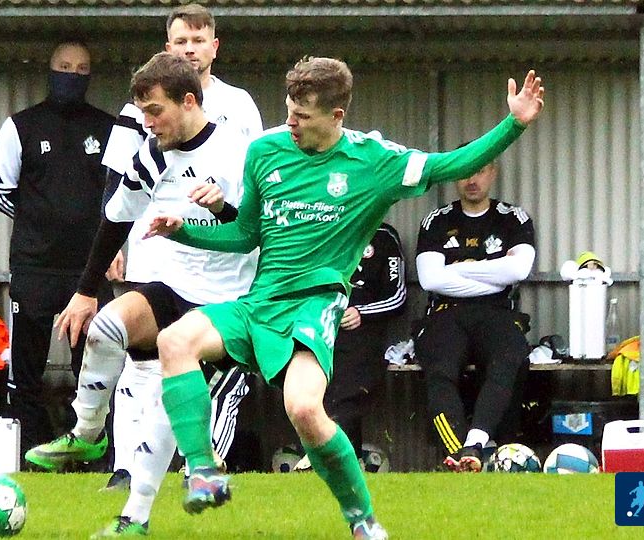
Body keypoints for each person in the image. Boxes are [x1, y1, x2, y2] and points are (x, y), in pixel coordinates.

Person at [145, 58, 544, 539]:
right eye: (288, 111)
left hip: (314, 306)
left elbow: (450, 165)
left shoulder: (375, 162)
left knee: (304, 411)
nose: (290, 123)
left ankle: (362, 520)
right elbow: (246, 234)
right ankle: (204, 472)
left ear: (336, 116)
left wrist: (513, 124)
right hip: (259, 305)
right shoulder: (265, 151)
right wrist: (184, 231)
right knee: (174, 342)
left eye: (302, 116)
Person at [26, 52, 258, 537]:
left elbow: (255, 233)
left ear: (189, 101)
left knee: (162, 410)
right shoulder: (152, 154)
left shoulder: (239, 153)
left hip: (224, 301)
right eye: (142, 113)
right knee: (105, 327)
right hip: (170, 286)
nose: (147, 123)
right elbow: (116, 219)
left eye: (155, 111)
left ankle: (136, 516)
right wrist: (84, 292)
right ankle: (86, 432)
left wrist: (223, 208)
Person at [101, 2, 263, 493]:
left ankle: (196, 467)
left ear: (214, 46)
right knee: (141, 362)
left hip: (220, 261)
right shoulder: (138, 108)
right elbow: (117, 178)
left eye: (198, 40)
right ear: (167, 47)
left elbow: (255, 183)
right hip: (156, 250)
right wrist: (114, 245)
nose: (189, 49)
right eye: (180, 41)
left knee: (193, 363)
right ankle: (125, 467)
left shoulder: (239, 104)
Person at [0, 40, 115, 461]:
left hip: (88, 273)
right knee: (26, 369)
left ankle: (96, 453)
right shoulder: (20, 126)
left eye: (81, 69)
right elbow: (0, 191)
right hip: (35, 267)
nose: (72, 75)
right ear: (50, 70)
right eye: (64, 67)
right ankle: (29, 451)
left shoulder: (107, 129)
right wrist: (40, 222)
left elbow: (121, 195)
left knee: (94, 366)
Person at [413, 156, 536, 473]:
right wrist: (493, 272)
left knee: (509, 357)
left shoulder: (513, 219)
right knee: (439, 370)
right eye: (465, 172)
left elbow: (518, 270)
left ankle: (476, 444)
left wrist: (459, 269)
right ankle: (457, 453)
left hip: (496, 311)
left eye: (480, 171)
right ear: (455, 177)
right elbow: (430, 280)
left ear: (492, 173)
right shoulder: (437, 221)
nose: (472, 180)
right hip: (445, 312)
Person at [323, 222, 406, 464]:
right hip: (316, 327)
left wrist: (362, 312)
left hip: (360, 331)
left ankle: (346, 462)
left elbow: (398, 297)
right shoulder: (316, 228)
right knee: (309, 391)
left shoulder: (383, 236)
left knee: (345, 392)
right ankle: (317, 458)